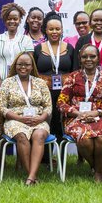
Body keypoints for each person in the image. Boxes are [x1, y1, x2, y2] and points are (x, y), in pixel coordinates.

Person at [59, 44, 102, 182]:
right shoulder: (72, 77)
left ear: (98, 58)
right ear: (80, 59)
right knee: (85, 140)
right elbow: (61, 103)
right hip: (76, 118)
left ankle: (98, 174)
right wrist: (77, 113)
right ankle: (100, 169)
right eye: (84, 56)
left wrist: (98, 112)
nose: (89, 59)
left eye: (92, 56)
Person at [0, 52, 53, 184]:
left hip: (38, 119)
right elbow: (2, 107)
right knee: (21, 136)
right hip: (15, 120)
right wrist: (19, 119)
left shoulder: (40, 83)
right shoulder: (7, 82)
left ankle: (31, 177)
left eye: (27, 64)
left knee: (39, 135)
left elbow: (48, 106)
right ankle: (31, 175)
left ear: (32, 66)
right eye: (20, 64)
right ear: (15, 66)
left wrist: (41, 119)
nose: (23, 67)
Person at [34, 13, 75, 141]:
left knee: (62, 121)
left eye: (57, 29)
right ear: (45, 30)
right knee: (46, 120)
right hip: (44, 92)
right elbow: (34, 72)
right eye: (51, 29)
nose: (54, 32)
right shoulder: (38, 48)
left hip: (65, 92)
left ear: (62, 30)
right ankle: (46, 157)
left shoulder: (69, 48)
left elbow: (74, 71)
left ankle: (62, 155)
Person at [0, 2, 34, 87]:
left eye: (15, 19)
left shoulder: (27, 40)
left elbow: (30, 63)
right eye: (9, 19)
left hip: (21, 84)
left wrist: (23, 85)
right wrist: (0, 84)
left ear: (20, 20)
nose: (12, 21)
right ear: (4, 20)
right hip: (0, 84)